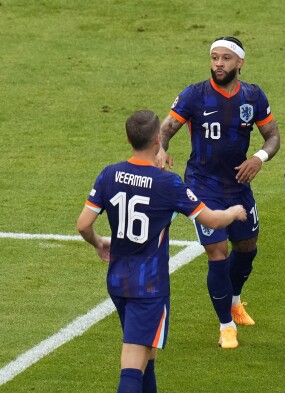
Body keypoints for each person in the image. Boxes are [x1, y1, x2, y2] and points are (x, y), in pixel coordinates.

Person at [76, 110, 247, 393]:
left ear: (128, 138)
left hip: (118, 280)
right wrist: (232, 212)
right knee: (132, 363)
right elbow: (213, 221)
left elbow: (83, 224)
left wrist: (98, 242)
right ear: (158, 139)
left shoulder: (109, 174)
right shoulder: (168, 183)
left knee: (147, 354)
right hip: (148, 287)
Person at [156, 37, 280, 349]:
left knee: (247, 248)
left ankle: (235, 301)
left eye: (225, 58)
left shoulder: (252, 96)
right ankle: (226, 325)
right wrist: (159, 151)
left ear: (239, 63)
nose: (218, 64)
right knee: (217, 252)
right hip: (202, 185)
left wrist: (258, 158)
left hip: (238, 186)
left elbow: (273, 136)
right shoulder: (194, 95)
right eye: (214, 58)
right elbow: (166, 129)